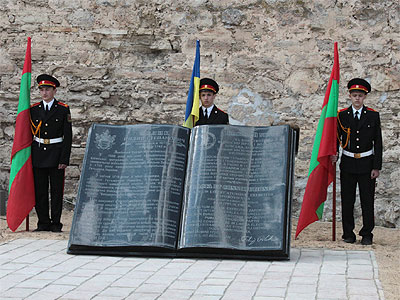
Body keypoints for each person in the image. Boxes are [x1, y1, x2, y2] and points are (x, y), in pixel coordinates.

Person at [336, 78, 382, 245]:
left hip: (366, 163)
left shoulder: (372, 115)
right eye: (354, 95)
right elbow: (336, 138)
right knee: (347, 201)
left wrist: (376, 166)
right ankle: (348, 233)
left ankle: (367, 234)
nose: (357, 98)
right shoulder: (342, 115)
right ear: (350, 96)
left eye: (360, 95)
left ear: (365, 97)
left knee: (367, 201)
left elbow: (378, 142)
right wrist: (334, 154)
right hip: (348, 163)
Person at [30, 74, 73, 232]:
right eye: (41, 90)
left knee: (56, 191)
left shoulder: (62, 109)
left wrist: (64, 159)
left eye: (47, 89)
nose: (44, 93)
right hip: (39, 154)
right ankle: (43, 223)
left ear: (54, 91)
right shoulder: (34, 109)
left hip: (56, 154)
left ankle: (56, 223)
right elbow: (29, 135)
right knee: (40, 191)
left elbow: (67, 136)